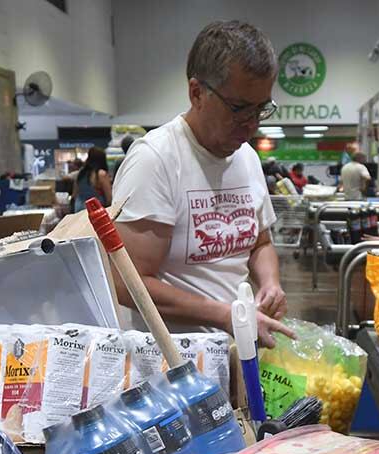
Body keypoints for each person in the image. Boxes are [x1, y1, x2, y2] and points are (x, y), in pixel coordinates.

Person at [111, 20, 294, 348]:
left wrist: (270, 283)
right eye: (239, 108)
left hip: (239, 350)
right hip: (174, 362)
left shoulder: (247, 157)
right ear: (197, 92)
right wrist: (225, 315)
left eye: (261, 109)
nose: (251, 124)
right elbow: (129, 284)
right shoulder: (157, 159)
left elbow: (260, 243)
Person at [73, 146, 112, 212]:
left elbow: (75, 194)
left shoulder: (81, 173)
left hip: (78, 209)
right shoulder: (101, 174)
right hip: (95, 211)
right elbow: (109, 198)